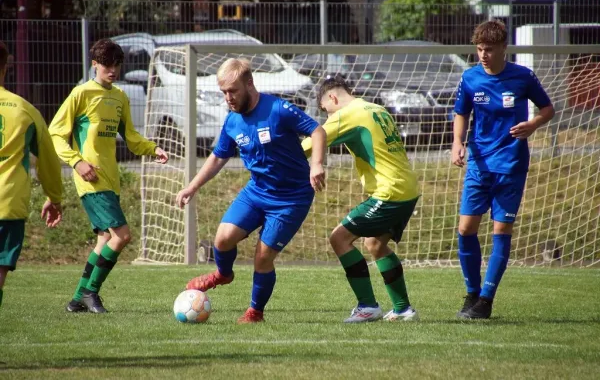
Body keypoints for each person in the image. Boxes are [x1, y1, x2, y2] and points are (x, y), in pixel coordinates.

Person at [176, 58, 326, 324]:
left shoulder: (278, 109)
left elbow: (316, 130)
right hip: (257, 192)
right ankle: (223, 274)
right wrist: (192, 186)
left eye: (232, 91)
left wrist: (316, 164)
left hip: (291, 198)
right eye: (223, 92)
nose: (228, 98)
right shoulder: (232, 121)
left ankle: (255, 312)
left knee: (263, 257)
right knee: (222, 239)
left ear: (249, 83)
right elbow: (218, 157)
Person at [49, 39, 169, 314]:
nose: (112, 70)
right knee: (122, 235)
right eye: (106, 65)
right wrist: (77, 163)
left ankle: (78, 298)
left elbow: (130, 137)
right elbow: (55, 132)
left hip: (110, 179)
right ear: (94, 64)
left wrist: (153, 148)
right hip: (90, 179)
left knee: (104, 239)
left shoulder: (119, 97)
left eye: (116, 65)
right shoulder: (81, 94)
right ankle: (92, 292)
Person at [452, 20, 554, 319]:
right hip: (479, 165)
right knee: (466, 228)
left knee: (500, 229)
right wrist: (457, 143)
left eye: (489, 49)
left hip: (511, 165)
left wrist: (533, 124)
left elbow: (547, 108)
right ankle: (471, 294)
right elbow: (461, 112)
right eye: (480, 49)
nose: (483, 55)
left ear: (503, 49)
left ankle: (485, 300)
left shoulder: (522, 77)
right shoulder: (470, 78)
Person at [302, 76, 420, 323]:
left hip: (389, 193)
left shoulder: (347, 114)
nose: (328, 116)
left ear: (333, 98)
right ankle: (403, 310)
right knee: (375, 244)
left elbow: (312, 142)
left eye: (327, 110)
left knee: (339, 238)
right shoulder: (377, 109)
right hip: (408, 189)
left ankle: (367, 306)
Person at [0, 41, 63, 308]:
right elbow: (47, 159)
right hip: (7, 204)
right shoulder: (24, 110)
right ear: (7, 64)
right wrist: (55, 196)